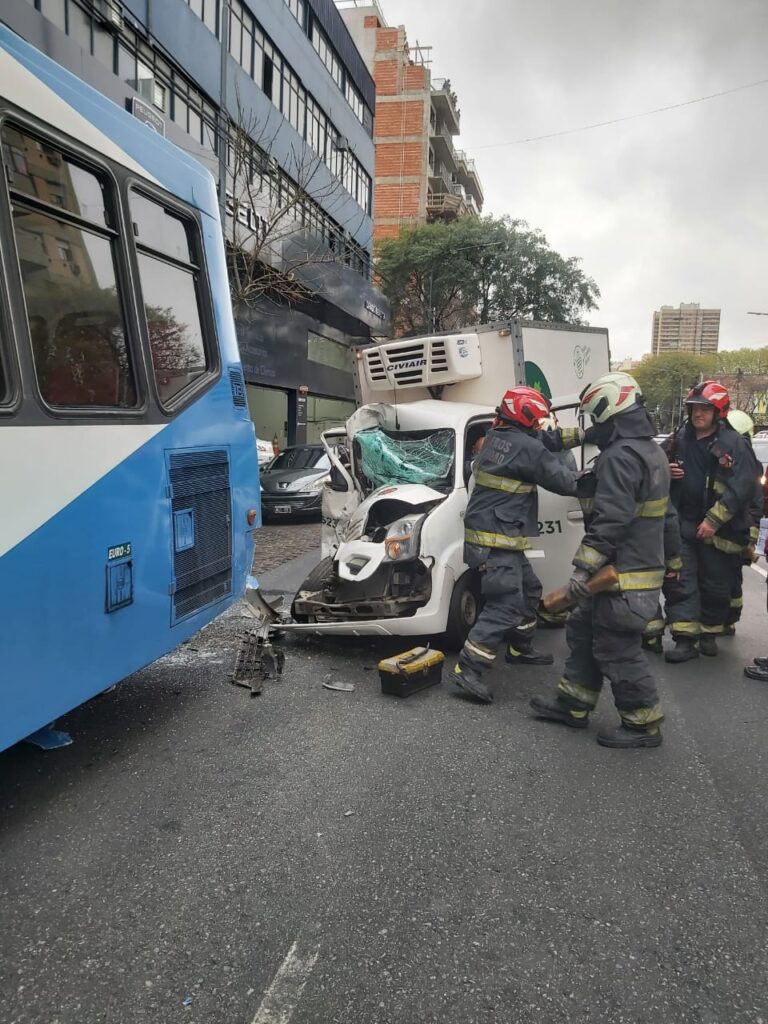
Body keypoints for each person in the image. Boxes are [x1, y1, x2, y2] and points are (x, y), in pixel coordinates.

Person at [530, 372, 674, 748]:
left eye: (597, 418)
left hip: (622, 576)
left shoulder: (621, 458)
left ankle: (643, 724)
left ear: (611, 411)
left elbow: (611, 520)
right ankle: (573, 705)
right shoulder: (649, 451)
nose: (595, 425)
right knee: (583, 631)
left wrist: (582, 570)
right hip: (628, 571)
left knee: (616, 647)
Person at [452, 386, 579, 704]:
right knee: (505, 604)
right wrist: (601, 475)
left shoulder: (499, 436)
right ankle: (469, 668)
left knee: (530, 589)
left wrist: (585, 435)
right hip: (497, 538)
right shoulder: (525, 447)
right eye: (536, 420)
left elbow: (546, 441)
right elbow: (564, 482)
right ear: (523, 417)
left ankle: (520, 647)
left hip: (498, 534)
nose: (539, 426)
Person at [662, 381, 756, 661]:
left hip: (719, 529)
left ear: (718, 412)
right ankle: (684, 639)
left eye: (704, 409)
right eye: (694, 409)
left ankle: (709, 633)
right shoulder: (679, 438)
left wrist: (714, 521)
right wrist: (666, 470)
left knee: (715, 583)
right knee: (681, 581)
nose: (697, 414)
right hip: (683, 523)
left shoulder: (734, 444)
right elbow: (654, 464)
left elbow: (743, 487)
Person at [722, 409, 763, 636]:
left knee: (731, 576)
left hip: (739, 529)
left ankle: (729, 619)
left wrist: (751, 539)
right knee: (728, 575)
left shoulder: (749, 465)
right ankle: (726, 618)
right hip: (734, 528)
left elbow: (755, 503)